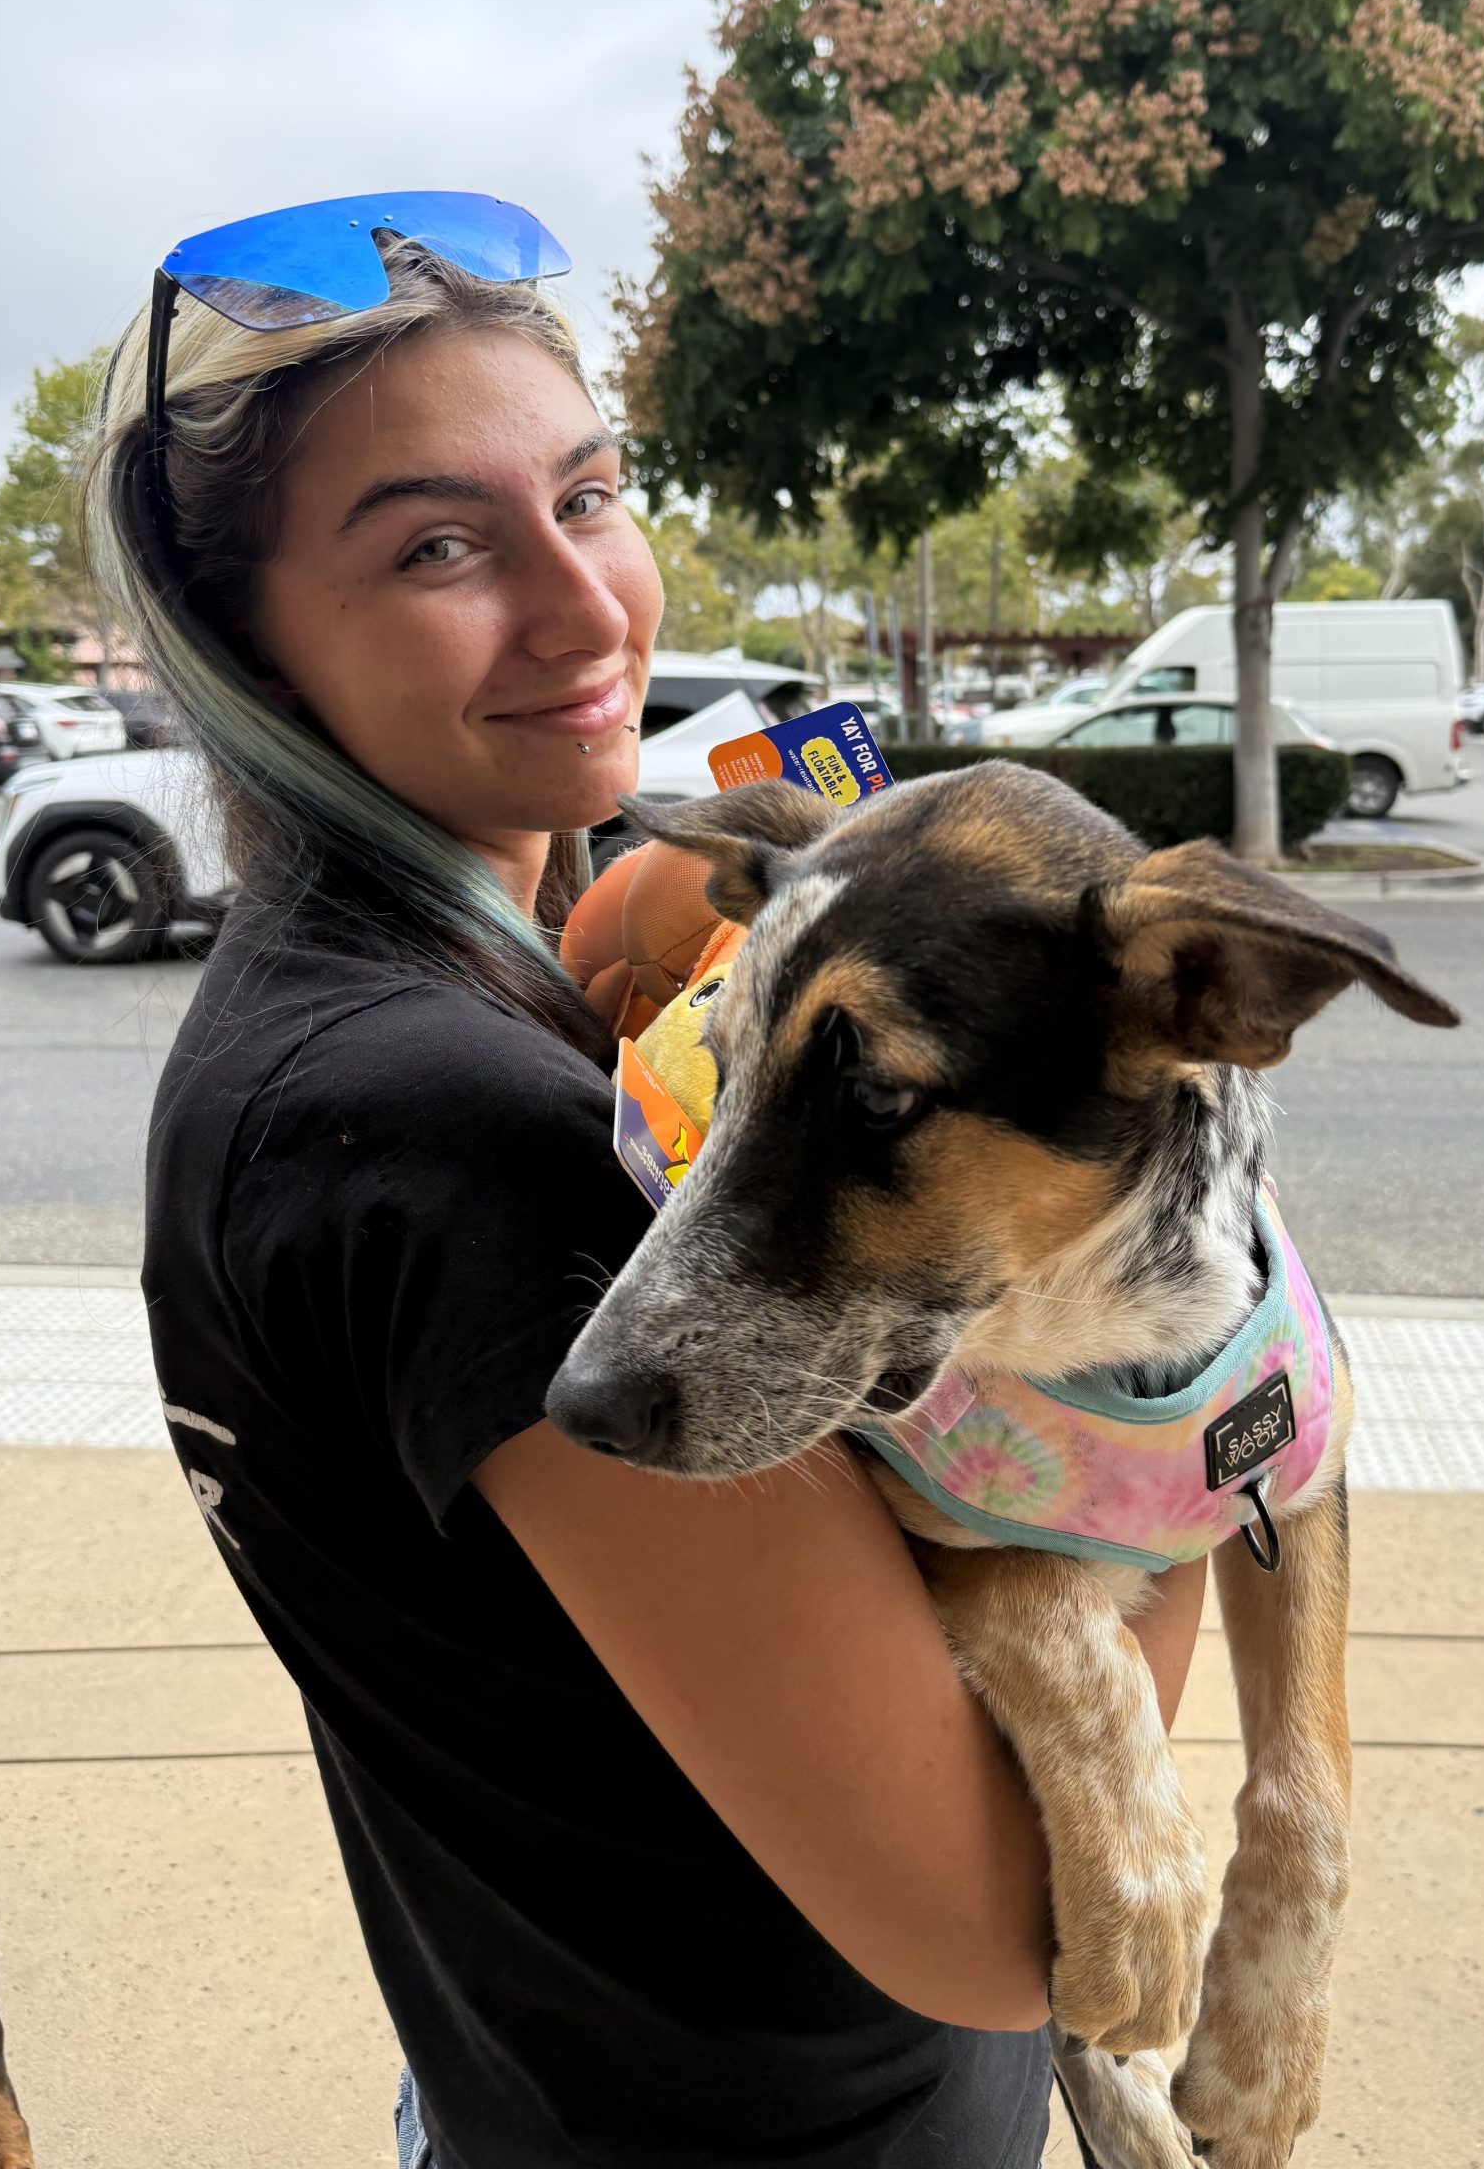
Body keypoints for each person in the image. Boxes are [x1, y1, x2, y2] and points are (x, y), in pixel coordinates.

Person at [84, 200, 1207, 2169]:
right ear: (245, 635)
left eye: (588, 495)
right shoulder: (452, 1121)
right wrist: (1182, 1273)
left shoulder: (359, 1008)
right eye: (437, 546)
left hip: (539, 2084)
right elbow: (1007, 1916)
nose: (587, 606)